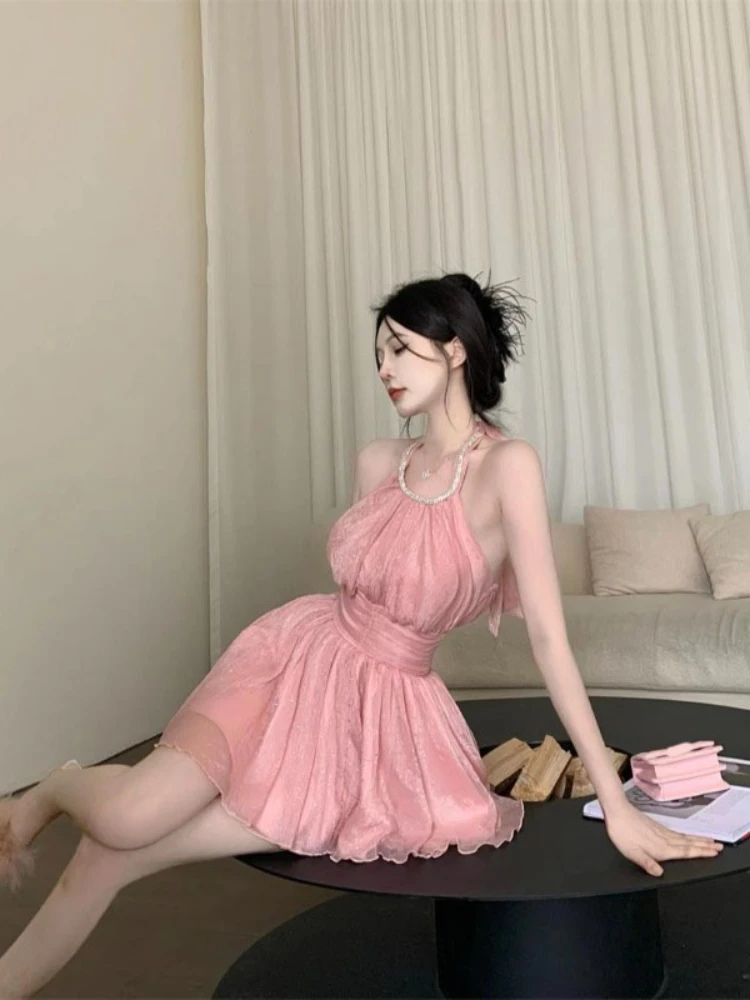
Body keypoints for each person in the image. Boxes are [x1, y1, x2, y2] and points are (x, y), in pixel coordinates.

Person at [0, 271, 724, 996]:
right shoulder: (379, 461)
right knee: (125, 819)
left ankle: (49, 825)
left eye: (401, 349)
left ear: (455, 350)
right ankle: (58, 787)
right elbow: (356, 592)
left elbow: (550, 642)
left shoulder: (509, 467)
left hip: (373, 722)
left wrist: (617, 804)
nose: (384, 368)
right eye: (379, 353)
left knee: (113, 853)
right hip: (291, 663)